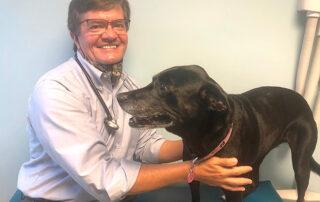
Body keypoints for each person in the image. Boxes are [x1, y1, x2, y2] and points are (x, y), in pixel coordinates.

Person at [15, 0, 253, 201]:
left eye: (118, 24)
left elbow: (146, 147)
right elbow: (102, 178)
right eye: (95, 25)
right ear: (75, 37)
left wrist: (211, 140)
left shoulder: (129, 85)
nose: (110, 34)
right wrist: (194, 171)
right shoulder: (56, 91)